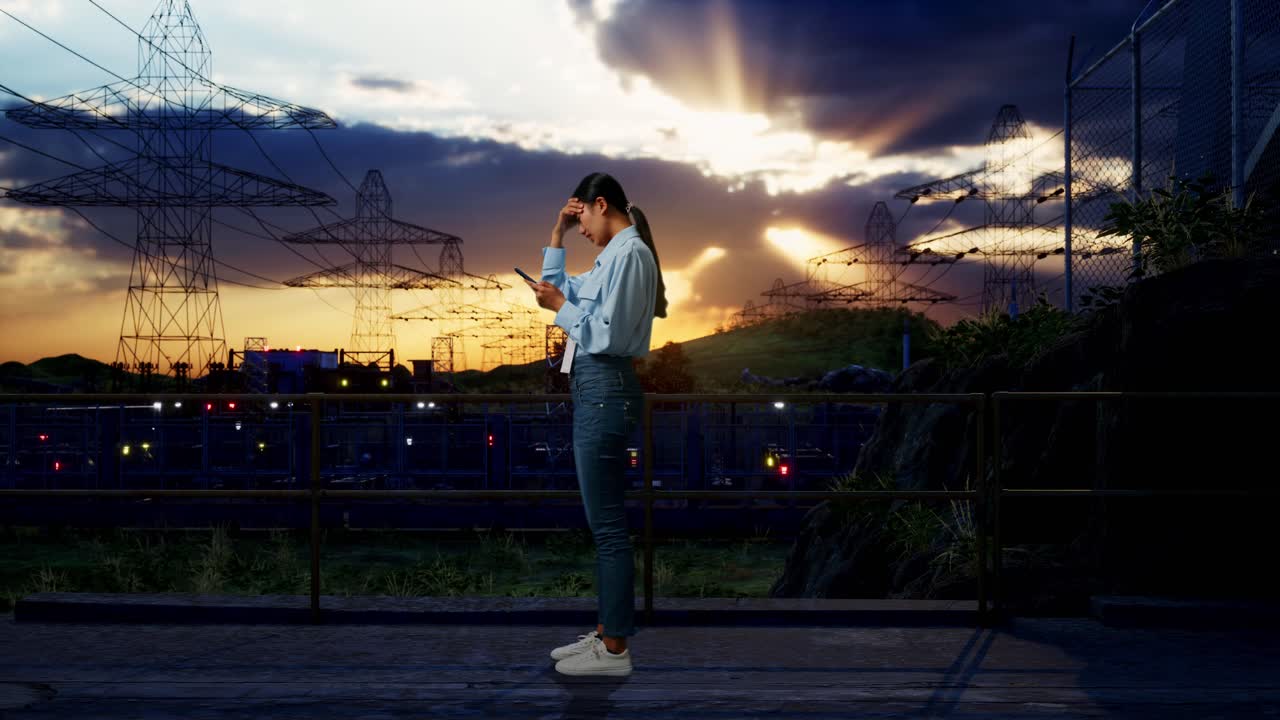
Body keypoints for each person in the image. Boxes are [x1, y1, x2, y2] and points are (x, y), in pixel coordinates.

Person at [526, 172, 667, 677]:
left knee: (608, 529)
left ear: (600, 204)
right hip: (596, 389)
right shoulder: (614, 257)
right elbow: (566, 293)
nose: (582, 228)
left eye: (581, 217)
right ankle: (608, 634)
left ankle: (614, 651)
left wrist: (560, 308)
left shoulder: (630, 255)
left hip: (605, 388)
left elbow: (605, 335)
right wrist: (557, 234)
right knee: (603, 526)